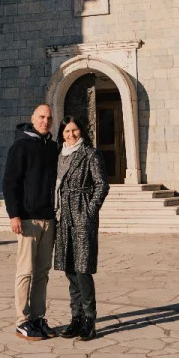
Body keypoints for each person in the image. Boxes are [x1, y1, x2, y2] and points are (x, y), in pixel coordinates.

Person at [2, 103, 58, 341]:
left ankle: (37, 317)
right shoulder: (21, 146)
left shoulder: (52, 147)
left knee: (43, 272)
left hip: (48, 218)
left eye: (49, 118)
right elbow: (10, 183)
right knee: (25, 271)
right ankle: (22, 321)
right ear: (33, 119)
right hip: (28, 219)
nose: (45, 121)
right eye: (42, 117)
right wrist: (15, 214)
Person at [54, 116, 109, 341]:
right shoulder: (60, 155)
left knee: (82, 269)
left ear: (82, 131)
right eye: (67, 131)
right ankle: (75, 318)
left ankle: (89, 320)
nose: (71, 135)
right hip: (63, 217)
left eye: (75, 130)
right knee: (69, 268)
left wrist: (90, 210)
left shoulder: (90, 154)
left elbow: (102, 184)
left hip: (82, 215)